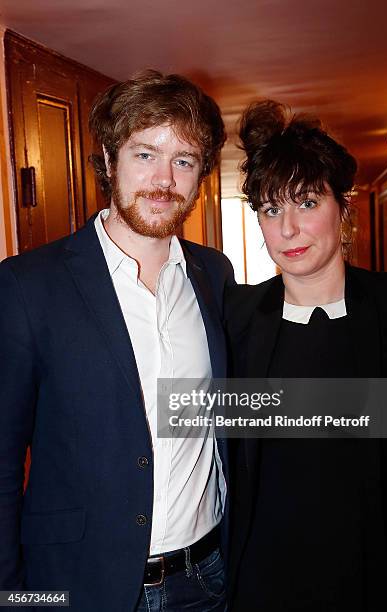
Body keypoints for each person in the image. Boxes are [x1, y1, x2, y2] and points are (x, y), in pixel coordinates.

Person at [0, 70, 234, 612]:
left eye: (184, 160)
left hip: (207, 579)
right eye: (144, 154)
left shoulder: (214, 276)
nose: (163, 179)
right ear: (108, 160)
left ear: (200, 175)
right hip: (81, 586)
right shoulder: (27, 286)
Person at [225, 100, 387, 611]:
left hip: (378, 577)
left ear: (342, 206)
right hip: (263, 581)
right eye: (270, 208)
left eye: (306, 203)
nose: (287, 230)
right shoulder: (233, 319)